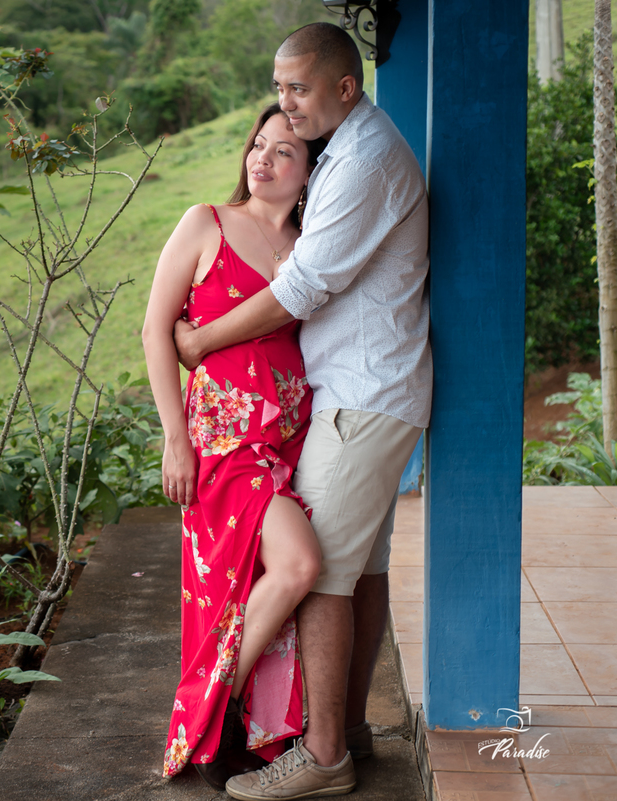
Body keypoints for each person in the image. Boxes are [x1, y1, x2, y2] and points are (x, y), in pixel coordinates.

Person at [173, 23, 431, 801]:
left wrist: (201, 340)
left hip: (359, 398)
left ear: (345, 89)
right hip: (374, 393)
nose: (283, 104)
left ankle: (322, 757)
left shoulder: (362, 162)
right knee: (364, 570)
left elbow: (302, 290)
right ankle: (345, 724)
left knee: (318, 574)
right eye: (279, 89)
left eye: (298, 90)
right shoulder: (351, 153)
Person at [143, 103, 327, 791]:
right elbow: (155, 332)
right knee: (299, 563)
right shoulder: (206, 224)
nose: (262, 158)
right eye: (259, 144)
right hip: (221, 445)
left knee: (257, 589)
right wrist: (174, 440)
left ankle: (233, 724)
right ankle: (213, 713)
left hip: (289, 444)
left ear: (308, 174)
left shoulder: (312, 248)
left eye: (284, 151)